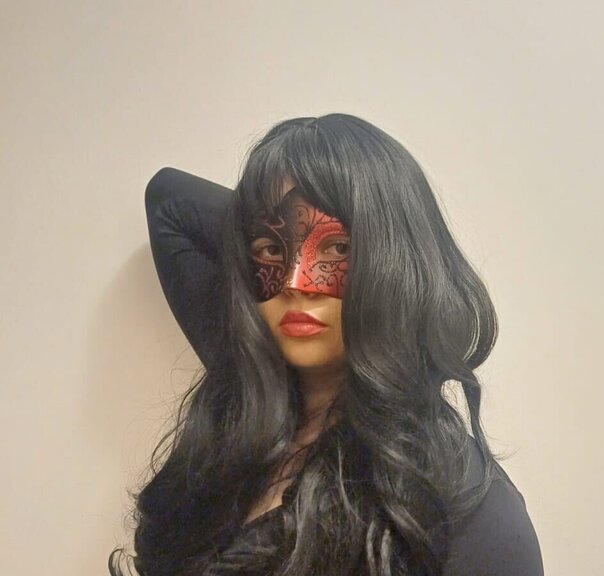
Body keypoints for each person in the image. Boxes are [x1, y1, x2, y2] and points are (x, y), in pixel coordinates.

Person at [108, 114, 543, 576]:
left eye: (337, 248)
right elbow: (169, 198)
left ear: (396, 261)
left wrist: (362, 216)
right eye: (271, 249)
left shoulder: (463, 507)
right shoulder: (245, 408)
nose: (295, 284)